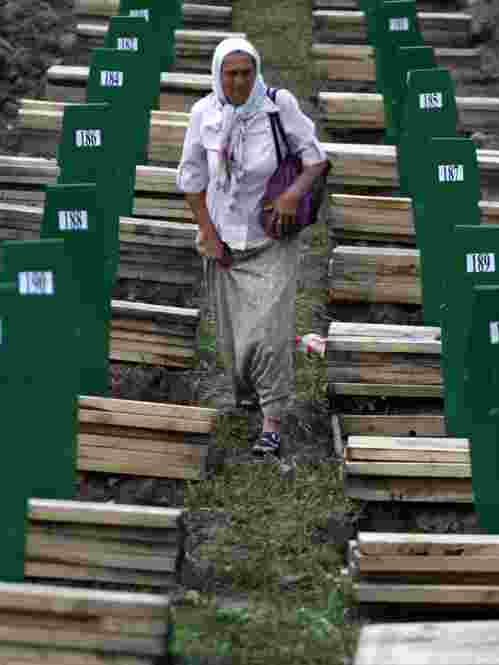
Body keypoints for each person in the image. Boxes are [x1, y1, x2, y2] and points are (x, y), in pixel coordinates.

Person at [177, 37, 329, 459]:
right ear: (218, 75)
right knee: (234, 340)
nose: (240, 81)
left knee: (269, 334)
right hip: (224, 242)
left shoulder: (278, 108)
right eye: (231, 73)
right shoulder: (203, 115)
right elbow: (191, 179)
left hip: (270, 239)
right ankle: (248, 394)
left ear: (256, 72)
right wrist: (207, 232)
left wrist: (292, 195)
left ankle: (273, 422)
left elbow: (315, 158)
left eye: (247, 72)